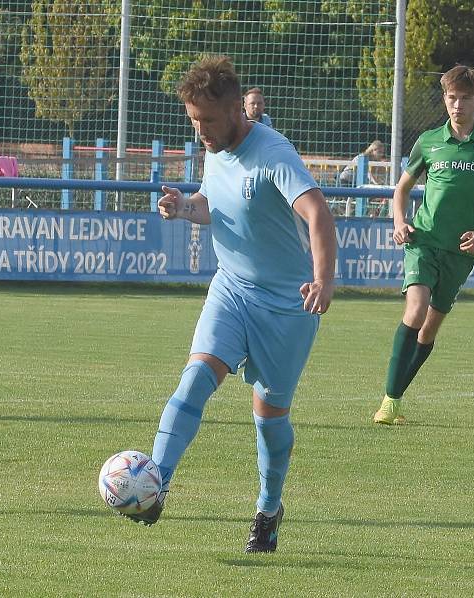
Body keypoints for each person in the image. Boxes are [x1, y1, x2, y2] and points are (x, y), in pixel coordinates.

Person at [124, 56, 336, 555]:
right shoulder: (212, 148)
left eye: (208, 121)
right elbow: (212, 204)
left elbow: (318, 212)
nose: (201, 132)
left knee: (269, 420)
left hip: (287, 307)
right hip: (232, 290)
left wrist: (324, 279)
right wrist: (184, 208)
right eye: (194, 121)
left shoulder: (272, 153)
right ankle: (154, 484)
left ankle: (268, 506)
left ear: (237, 109)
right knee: (195, 379)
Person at [372, 65, 474, 425]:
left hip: (461, 252)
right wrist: (400, 221)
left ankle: (396, 398)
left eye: (465, 98)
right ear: (444, 98)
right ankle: (388, 401)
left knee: (430, 328)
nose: (458, 104)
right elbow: (400, 190)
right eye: (452, 97)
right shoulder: (429, 141)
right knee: (415, 312)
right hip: (424, 241)